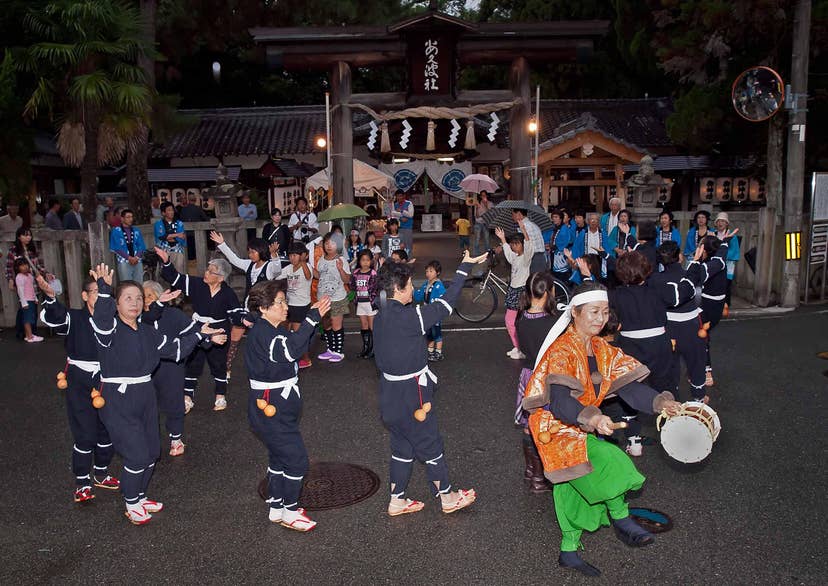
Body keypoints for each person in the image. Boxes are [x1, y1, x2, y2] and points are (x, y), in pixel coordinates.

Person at [523, 280, 682, 577]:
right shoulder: (562, 350)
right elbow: (558, 402)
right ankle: (622, 520)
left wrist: (661, 403)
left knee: (571, 488)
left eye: (605, 312)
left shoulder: (601, 348)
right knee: (610, 461)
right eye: (594, 312)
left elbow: (630, 388)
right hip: (554, 426)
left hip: (582, 421)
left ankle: (568, 551)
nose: (601, 319)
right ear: (575, 313)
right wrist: (593, 419)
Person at [88, 263, 225, 525]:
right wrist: (105, 288)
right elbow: (102, 318)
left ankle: (139, 496)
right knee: (136, 454)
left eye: (139, 298)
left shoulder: (148, 332)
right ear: (116, 304)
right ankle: (131, 503)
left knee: (152, 451)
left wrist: (199, 333)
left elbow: (177, 351)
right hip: (117, 398)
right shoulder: (109, 331)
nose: (135, 303)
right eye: (128, 298)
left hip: (144, 395)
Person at [373, 251, 487, 517]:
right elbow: (446, 304)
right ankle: (448, 496)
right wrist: (463, 269)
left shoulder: (381, 315)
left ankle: (397, 500)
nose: (413, 288)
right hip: (412, 393)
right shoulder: (410, 317)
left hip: (389, 394)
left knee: (402, 447)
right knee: (430, 444)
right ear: (399, 289)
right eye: (410, 285)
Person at [583, 251, 697, 455]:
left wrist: (586, 274)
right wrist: (695, 264)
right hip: (659, 346)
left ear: (620, 273)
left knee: (630, 390)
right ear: (647, 270)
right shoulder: (658, 290)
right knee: (666, 386)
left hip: (629, 347)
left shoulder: (616, 295)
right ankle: (676, 437)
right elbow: (685, 292)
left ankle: (634, 441)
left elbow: (593, 297)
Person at [245, 280, 330, 530]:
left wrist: (312, 326)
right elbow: (292, 349)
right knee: (296, 460)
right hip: (272, 408)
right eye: (280, 303)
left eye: (284, 301)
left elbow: (299, 345)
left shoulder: (273, 329)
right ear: (263, 307)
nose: (285, 307)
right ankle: (290, 511)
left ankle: (277, 505)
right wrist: (312, 319)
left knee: (279, 457)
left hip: (275, 406)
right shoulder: (265, 334)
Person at [38, 275, 119, 502]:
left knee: (108, 432)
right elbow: (55, 317)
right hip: (79, 381)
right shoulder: (74, 317)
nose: (101, 297)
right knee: (85, 434)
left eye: (105, 294)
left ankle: (101, 473)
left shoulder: (113, 321)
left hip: (107, 380)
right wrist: (51, 298)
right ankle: (82, 481)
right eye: (95, 292)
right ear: (84, 296)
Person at [156, 246, 245, 412]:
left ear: (221, 278)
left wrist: (245, 319)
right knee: (192, 362)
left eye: (211, 272)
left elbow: (236, 313)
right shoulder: (197, 284)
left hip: (218, 331)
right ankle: (188, 397)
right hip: (197, 329)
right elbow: (174, 278)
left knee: (218, 363)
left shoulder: (228, 293)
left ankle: (220, 395)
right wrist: (166, 261)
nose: (206, 273)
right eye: (207, 269)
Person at [141, 281, 202, 456]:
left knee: (174, 402)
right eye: (142, 297)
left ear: (160, 297)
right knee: (145, 404)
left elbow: (192, 330)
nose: (145, 301)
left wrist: (207, 337)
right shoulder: (137, 318)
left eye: (150, 296)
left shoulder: (174, 314)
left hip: (170, 366)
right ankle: (148, 438)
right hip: (144, 368)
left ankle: (176, 438)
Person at [211, 231, 282, 377]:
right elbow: (234, 259)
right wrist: (222, 244)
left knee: (263, 342)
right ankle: (226, 369)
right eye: (249, 252)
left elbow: (277, 269)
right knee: (234, 339)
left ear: (261, 251)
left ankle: (268, 369)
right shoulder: (249, 265)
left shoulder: (268, 267)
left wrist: (274, 255)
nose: (250, 254)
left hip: (263, 313)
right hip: (247, 310)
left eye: (253, 252)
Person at [515, 272, 559, 492]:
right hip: (546, 377)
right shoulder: (553, 322)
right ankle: (541, 476)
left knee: (528, 426)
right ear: (549, 292)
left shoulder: (521, 318)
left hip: (528, 375)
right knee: (545, 427)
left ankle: (531, 472)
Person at [649, 241, 709, 402]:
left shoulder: (654, 279)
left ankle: (671, 402)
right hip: (692, 328)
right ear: (680, 257)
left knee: (670, 366)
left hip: (667, 329)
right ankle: (698, 398)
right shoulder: (692, 273)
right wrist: (695, 263)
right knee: (696, 362)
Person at [695, 231, 738, 387]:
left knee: (702, 337)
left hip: (708, 308)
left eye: (701, 247)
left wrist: (696, 260)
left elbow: (693, 276)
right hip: (716, 307)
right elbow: (723, 248)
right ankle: (700, 369)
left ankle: (706, 372)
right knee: (701, 336)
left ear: (706, 251)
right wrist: (724, 240)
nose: (698, 249)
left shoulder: (709, 266)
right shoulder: (720, 259)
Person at [495, 224, 533, 360]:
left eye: (516, 244)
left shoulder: (526, 258)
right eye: (513, 244)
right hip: (514, 290)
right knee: (515, 322)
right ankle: (518, 347)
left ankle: (520, 348)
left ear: (522, 245)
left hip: (521, 291)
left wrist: (523, 229)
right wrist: (503, 239)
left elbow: (529, 244)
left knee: (511, 321)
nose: (514, 247)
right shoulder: (515, 257)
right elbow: (508, 253)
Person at [313, 232, 351, 363]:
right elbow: (319, 276)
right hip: (322, 298)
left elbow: (347, 280)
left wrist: (341, 269)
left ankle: (338, 351)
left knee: (336, 325)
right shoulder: (321, 259)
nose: (329, 246)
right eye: (327, 243)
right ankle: (330, 349)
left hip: (337, 298)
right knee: (326, 325)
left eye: (332, 243)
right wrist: (310, 268)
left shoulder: (342, 260)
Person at [282, 242, 314, 369]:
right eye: (290, 255)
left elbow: (308, 276)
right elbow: (275, 275)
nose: (292, 258)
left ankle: (306, 359)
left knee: (298, 333)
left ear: (302, 256)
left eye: (295, 255)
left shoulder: (307, 267)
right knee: (286, 331)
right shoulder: (288, 268)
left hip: (301, 305)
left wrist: (303, 262)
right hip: (289, 304)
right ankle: (291, 355)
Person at [413, 260, 447, 362]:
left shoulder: (439, 285)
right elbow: (418, 296)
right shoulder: (426, 284)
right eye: (427, 271)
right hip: (427, 312)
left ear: (438, 272)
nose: (428, 273)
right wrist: (412, 290)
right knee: (429, 333)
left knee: (437, 333)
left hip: (435, 313)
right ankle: (430, 351)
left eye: (431, 271)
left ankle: (438, 352)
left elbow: (444, 298)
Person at [350, 250, 379, 359]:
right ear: (359, 261)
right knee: (364, 326)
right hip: (360, 303)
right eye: (363, 260)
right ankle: (365, 348)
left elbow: (376, 287)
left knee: (372, 326)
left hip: (370, 303)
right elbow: (352, 285)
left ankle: (373, 349)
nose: (365, 262)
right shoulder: (356, 272)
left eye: (367, 260)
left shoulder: (373, 273)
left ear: (371, 261)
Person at [109, 209, 147, 283]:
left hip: (137, 259)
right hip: (124, 260)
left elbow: (141, 245)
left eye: (131, 217)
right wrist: (129, 258)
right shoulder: (116, 231)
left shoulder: (136, 230)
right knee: (126, 284)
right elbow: (116, 248)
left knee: (139, 284)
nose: (131, 219)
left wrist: (136, 257)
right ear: (122, 219)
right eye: (128, 217)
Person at [713, 212, 741, 308]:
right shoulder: (713, 233)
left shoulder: (732, 236)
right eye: (719, 221)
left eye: (723, 221)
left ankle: (726, 304)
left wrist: (721, 254)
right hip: (714, 263)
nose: (720, 223)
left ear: (726, 223)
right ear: (716, 223)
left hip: (727, 263)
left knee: (726, 285)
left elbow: (734, 251)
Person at [154, 202, 187, 275]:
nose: (172, 212)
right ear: (163, 213)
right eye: (169, 210)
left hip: (177, 250)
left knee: (179, 271)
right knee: (165, 273)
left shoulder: (179, 223)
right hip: (164, 251)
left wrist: (169, 236)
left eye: (172, 210)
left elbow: (181, 237)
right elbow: (162, 237)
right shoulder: (158, 223)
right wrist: (176, 235)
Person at [512, 207, 546, 274]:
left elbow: (521, 245)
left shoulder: (524, 227)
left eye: (513, 214)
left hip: (534, 258)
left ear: (519, 214)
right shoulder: (532, 224)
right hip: (540, 257)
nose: (512, 217)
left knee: (533, 281)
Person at [14, 258, 41, 342]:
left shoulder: (30, 276)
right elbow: (20, 290)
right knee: (27, 319)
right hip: (26, 301)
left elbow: (32, 288)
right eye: (21, 266)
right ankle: (29, 337)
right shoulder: (19, 277)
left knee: (31, 318)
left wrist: (35, 298)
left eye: (26, 265)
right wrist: (23, 302)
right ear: (17, 268)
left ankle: (29, 335)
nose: (25, 267)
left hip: (31, 299)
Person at [179, 194, 208, 261]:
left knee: (189, 249)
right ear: (195, 200)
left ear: (188, 200)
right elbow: (205, 218)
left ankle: (190, 261)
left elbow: (180, 220)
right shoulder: (198, 208)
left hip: (187, 232)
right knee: (198, 249)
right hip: (198, 232)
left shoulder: (184, 209)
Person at [548, 209, 573, 280]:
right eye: (553, 217)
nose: (554, 219)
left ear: (561, 218)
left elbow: (564, 242)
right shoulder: (556, 228)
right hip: (555, 255)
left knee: (561, 276)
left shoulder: (564, 228)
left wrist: (554, 247)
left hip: (561, 256)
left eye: (556, 217)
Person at [389, 190, 415, 255]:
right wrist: (401, 217)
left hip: (407, 228)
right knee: (400, 245)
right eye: (397, 196)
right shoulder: (395, 204)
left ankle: (409, 259)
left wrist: (401, 211)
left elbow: (411, 214)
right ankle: (401, 260)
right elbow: (393, 215)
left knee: (408, 245)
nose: (398, 198)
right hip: (398, 228)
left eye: (400, 196)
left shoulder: (409, 203)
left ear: (404, 196)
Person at [473, 191, 494, 255]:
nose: (483, 197)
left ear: (487, 196)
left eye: (484, 195)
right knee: (477, 238)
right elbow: (477, 216)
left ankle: (487, 252)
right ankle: (476, 253)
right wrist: (477, 207)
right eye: (482, 195)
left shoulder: (490, 203)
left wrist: (486, 205)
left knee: (487, 238)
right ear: (480, 196)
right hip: (478, 223)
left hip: (486, 223)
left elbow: (491, 213)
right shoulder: (478, 203)